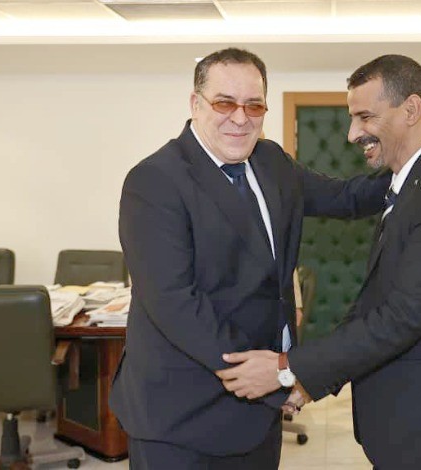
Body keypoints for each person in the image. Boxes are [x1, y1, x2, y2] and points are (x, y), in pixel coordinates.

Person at [216, 54, 421, 469]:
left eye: (365, 117)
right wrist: (310, 379)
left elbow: (400, 317)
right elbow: (375, 301)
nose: (353, 133)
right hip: (412, 428)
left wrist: (287, 367)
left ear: (411, 110)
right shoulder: (411, 185)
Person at [109, 47, 389, 469]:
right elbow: (176, 304)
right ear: (195, 104)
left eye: (254, 105)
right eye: (225, 103)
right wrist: (278, 381)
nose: (240, 118)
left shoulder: (271, 160)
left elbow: (347, 197)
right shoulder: (155, 181)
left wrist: (415, 166)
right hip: (180, 417)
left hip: (256, 419)